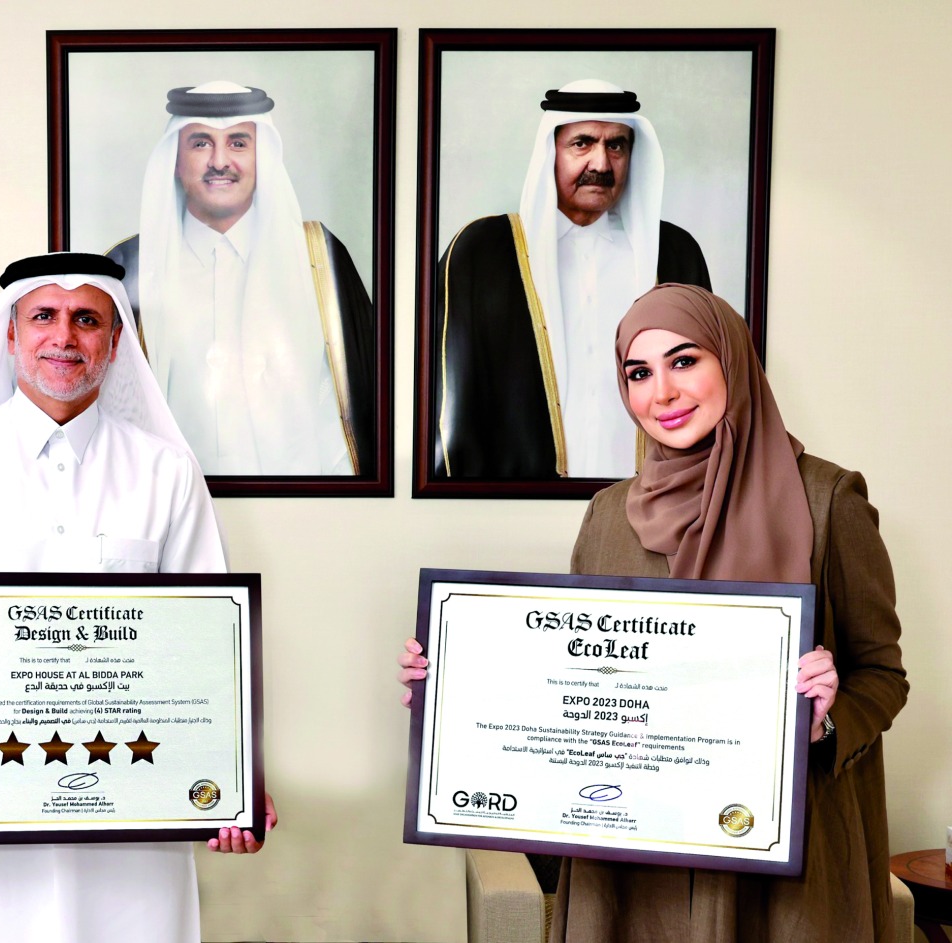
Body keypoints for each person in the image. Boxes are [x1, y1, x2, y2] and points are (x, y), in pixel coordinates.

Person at [401, 284, 907, 941]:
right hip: (631, 865)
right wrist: (453, 689)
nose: (661, 393)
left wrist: (826, 719)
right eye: (638, 373)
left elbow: (882, 676)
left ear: (733, 360)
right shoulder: (609, 513)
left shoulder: (827, 499)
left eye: (685, 360)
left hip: (780, 864)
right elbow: (574, 678)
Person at [0, 252, 275, 943]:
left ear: (113, 342)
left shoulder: (167, 474)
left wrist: (229, 777)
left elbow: (206, 650)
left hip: (124, 845)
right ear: (12, 335)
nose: (64, 337)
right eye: (44, 316)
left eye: (87, 320)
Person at [434, 79, 711, 481]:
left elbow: (708, 384)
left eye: (616, 145)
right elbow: (451, 402)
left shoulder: (674, 252)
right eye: (582, 143)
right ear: (551, 152)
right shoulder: (481, 252)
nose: (601, 164)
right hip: (515, 502)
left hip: (651, 504)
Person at [107, 81, 376, 477]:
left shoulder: (318, 257)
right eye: (200, 143)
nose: (220, 161)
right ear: (175, 162)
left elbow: (363, 401)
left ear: (261, 156)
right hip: (169, 507)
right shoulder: (129, 265)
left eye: (238, 143)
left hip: (310, 507)